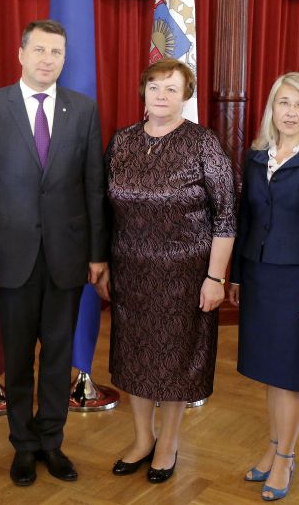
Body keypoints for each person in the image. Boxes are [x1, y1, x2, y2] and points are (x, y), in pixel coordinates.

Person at [0, 19, 108, 486]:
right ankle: (23, 446)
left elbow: (94, 187)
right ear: (21, 54)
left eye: (57, 52)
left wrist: (97, 253)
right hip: (10, 255)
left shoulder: (83, 109)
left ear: (65, 59)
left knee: (57, 355)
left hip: (68, 255)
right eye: (41, 50)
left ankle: (51, 441)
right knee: (17, 355)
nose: (49, 59)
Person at [99, 58, 236, 484]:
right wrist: (104, 264)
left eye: (171, 88)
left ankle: (169, 443)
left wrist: (215, 277)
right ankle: (143, 439)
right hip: (131, 273)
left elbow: (226, 216)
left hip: (186, 277)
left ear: (185, 96)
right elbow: (104, 209)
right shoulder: (122, 141)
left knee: (176, 362)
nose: (161, 95)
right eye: (154, 86)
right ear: (144, 91)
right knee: (136, 357)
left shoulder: (202, 143)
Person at [228, 72, 299, 501]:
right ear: (271, 109)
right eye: (284, 102)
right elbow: (246, 218)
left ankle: (286, 457)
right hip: (260, 277)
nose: (291, 112)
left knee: (292, 375)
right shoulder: (256, 156)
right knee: (271, 373)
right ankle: (273, 446)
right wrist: (237, 275)